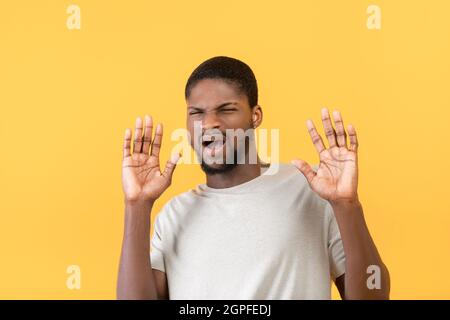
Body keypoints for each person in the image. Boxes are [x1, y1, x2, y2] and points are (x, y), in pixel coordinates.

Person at [116, 56, 390, 299]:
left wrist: (347, 205)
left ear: (255, 116)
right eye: (196, 113)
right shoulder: (175, 214)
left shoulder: (309, 192)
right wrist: (137, 206)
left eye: (226, 109)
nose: (209, 122)